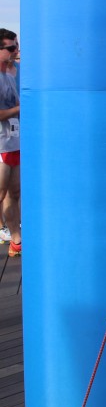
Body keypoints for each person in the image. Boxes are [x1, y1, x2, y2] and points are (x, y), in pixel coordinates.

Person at [0, 28, 21, 257]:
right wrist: (19, 109)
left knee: (14, 192)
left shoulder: (10, 74)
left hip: (13, 140)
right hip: (1, 143)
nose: (15, 51)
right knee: (1, 192)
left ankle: (16, 239)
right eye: (11, 47)